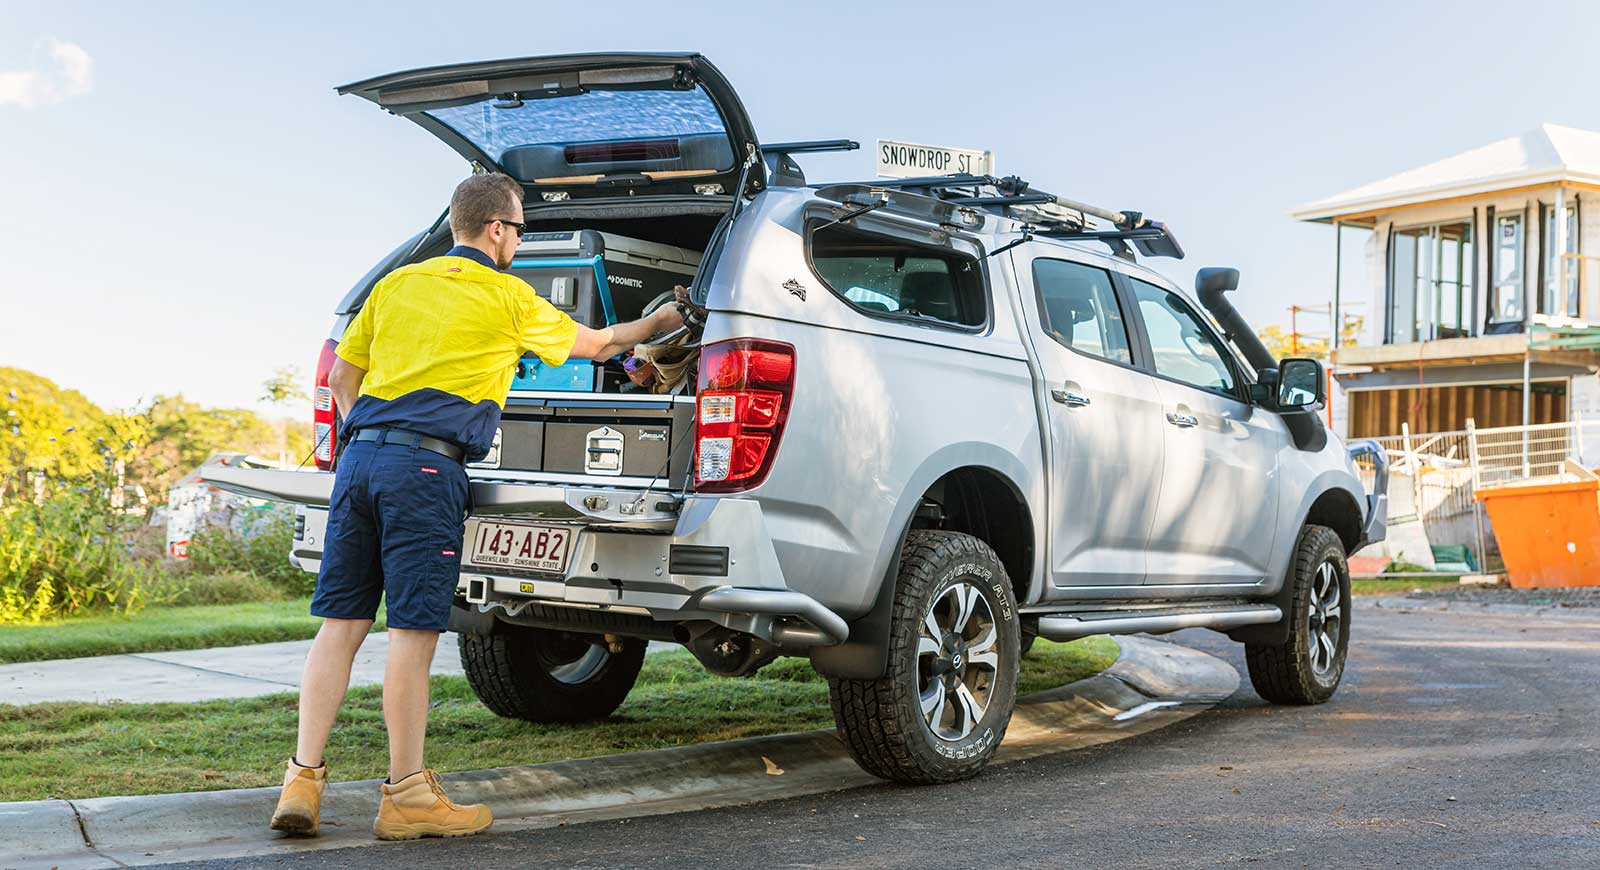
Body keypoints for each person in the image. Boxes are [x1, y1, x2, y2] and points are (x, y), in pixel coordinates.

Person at [269, 173, 684, 840]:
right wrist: (661, 323)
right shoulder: (508, 298)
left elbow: (345, 378)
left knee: (340, 627)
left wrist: (376, 438)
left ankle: (301, 781)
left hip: (360, 460)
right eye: (519, 227)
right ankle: (406, 796)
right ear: (496, 229)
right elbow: (603, 345)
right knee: (411, 634)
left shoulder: (398, 283)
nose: (520, 238)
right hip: (426, 469)